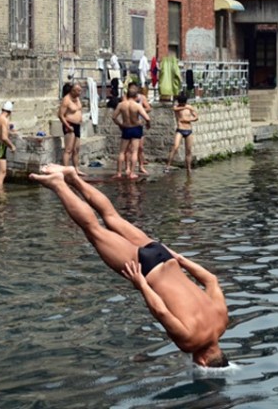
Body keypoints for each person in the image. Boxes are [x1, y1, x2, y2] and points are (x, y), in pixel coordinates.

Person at [30, 164, 229, 367]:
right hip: (146, 269)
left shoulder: (222, 322)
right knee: (93, 230)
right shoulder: (192, 342)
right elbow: (161, 312)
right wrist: (141, 284)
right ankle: (59, 185)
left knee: (112, 216)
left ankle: (73, 177)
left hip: (166, 258)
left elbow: (210, 279)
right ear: (204, 362)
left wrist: (180, 259)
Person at [112, 84, 150, 180]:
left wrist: (120, 124)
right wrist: (148, 124)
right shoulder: (137, 106)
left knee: (122, 152)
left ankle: (119, 172)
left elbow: (114, 117)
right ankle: (132, 173)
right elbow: (147, 118)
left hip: (126, 127)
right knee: (135, 151)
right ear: (136, 96)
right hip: (136, 127)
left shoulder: (121, 105)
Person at [166, 94, 199, 174]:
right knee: (175, 147)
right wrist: (186, 107)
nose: (183, 105)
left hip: (188, 130)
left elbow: (196, 117)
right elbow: (175, 109)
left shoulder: (189, 107)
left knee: (188, 150)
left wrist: (188, 119)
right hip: (180, 130)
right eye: (181, 103)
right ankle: (167, 166)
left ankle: (188, 168)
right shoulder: (177, 107)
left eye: (184, 103)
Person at [58, 84, 84, 172]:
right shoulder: (66, 100)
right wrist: (68, 126)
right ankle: (65, 170)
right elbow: (60, 115)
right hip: (69, 125)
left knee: (76, 149)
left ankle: (76, 169)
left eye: (80, 90)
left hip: (77, 125)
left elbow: (79, 110)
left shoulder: (77, 98)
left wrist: (81, 118)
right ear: (72, 91)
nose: (80, 92)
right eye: (78, 91)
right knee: (68, 149)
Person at [129, 81, 153, 175]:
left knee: (140, 147)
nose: (133, 90)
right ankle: (128, 167)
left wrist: (139, 110)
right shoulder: (126, 98)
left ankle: (141, 166)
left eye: (134, 88)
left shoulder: (141, 98)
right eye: (131, 88)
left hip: (139, 124)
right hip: (128, 124)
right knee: (128, 148)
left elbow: (148, 108)